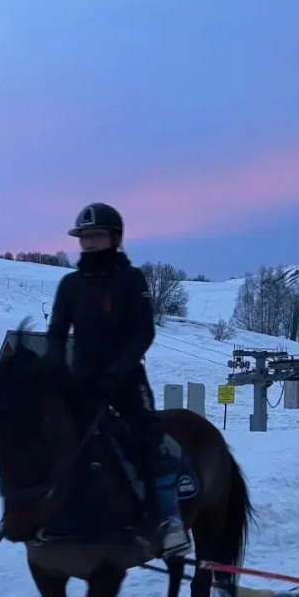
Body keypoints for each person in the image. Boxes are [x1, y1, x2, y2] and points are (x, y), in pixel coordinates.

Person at [45, 202, 190, 557]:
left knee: (148, 439)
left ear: (114, 238)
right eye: (85, 237)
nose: (90, 243)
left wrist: (114, 373)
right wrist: (56, 374)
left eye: (96, 236)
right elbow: (56, 334)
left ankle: (169, 520)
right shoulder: (69, 284)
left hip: (125, 379)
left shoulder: (132, 279)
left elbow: (143, 334)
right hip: (81, 382)